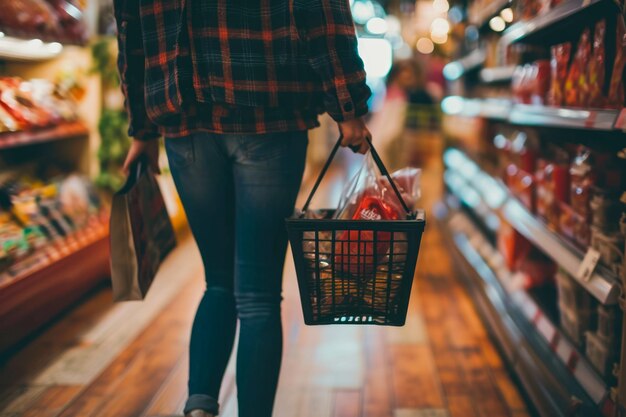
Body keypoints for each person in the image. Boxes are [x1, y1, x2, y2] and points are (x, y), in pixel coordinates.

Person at [113, 1, 372, 417]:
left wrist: (141, 129)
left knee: (218, 280)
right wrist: (349, 108)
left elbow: (132, 35)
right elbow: (323, 15)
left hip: (184, 122)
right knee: (259, 295)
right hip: (269, 109)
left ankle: (199, 407)